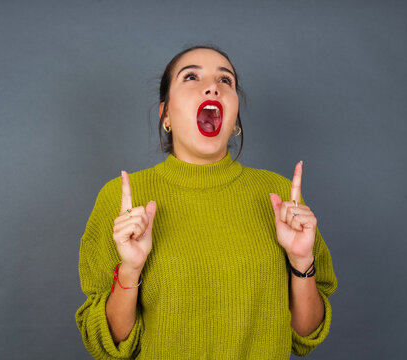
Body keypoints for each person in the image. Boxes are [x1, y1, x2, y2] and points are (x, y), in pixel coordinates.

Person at [75, 45, 337, 359]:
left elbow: (306, 335)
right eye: (191, 77)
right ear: (166, 114)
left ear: (235, 117)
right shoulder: (121, 199)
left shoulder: (279, 196)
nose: (212, 87)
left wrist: (301, 262)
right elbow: (109, 344)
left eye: (225, 81)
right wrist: (130, 270)